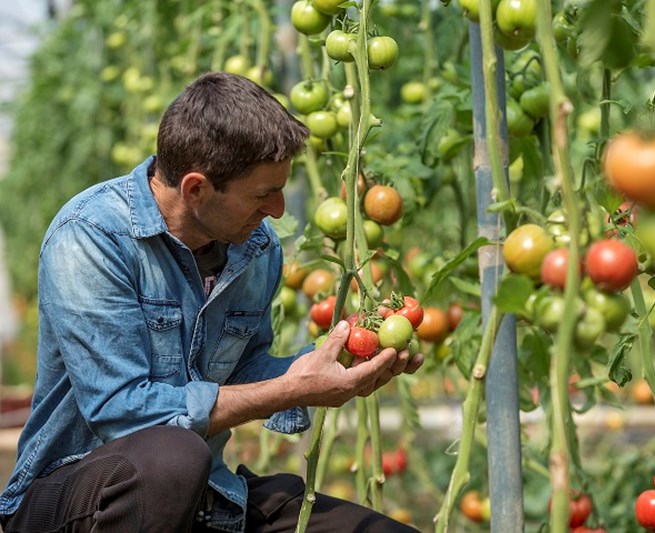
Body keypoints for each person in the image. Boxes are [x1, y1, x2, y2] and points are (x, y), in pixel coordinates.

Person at [0, 72, 424, 532]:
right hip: (76, 501)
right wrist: (289, 390)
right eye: (263, 194)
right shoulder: (92, 237)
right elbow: (121, 412)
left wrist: (340, 358)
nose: (278, 210)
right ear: (196, 189)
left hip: (203, 497)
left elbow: (243, 374)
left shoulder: (256, 247)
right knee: (172, 456)